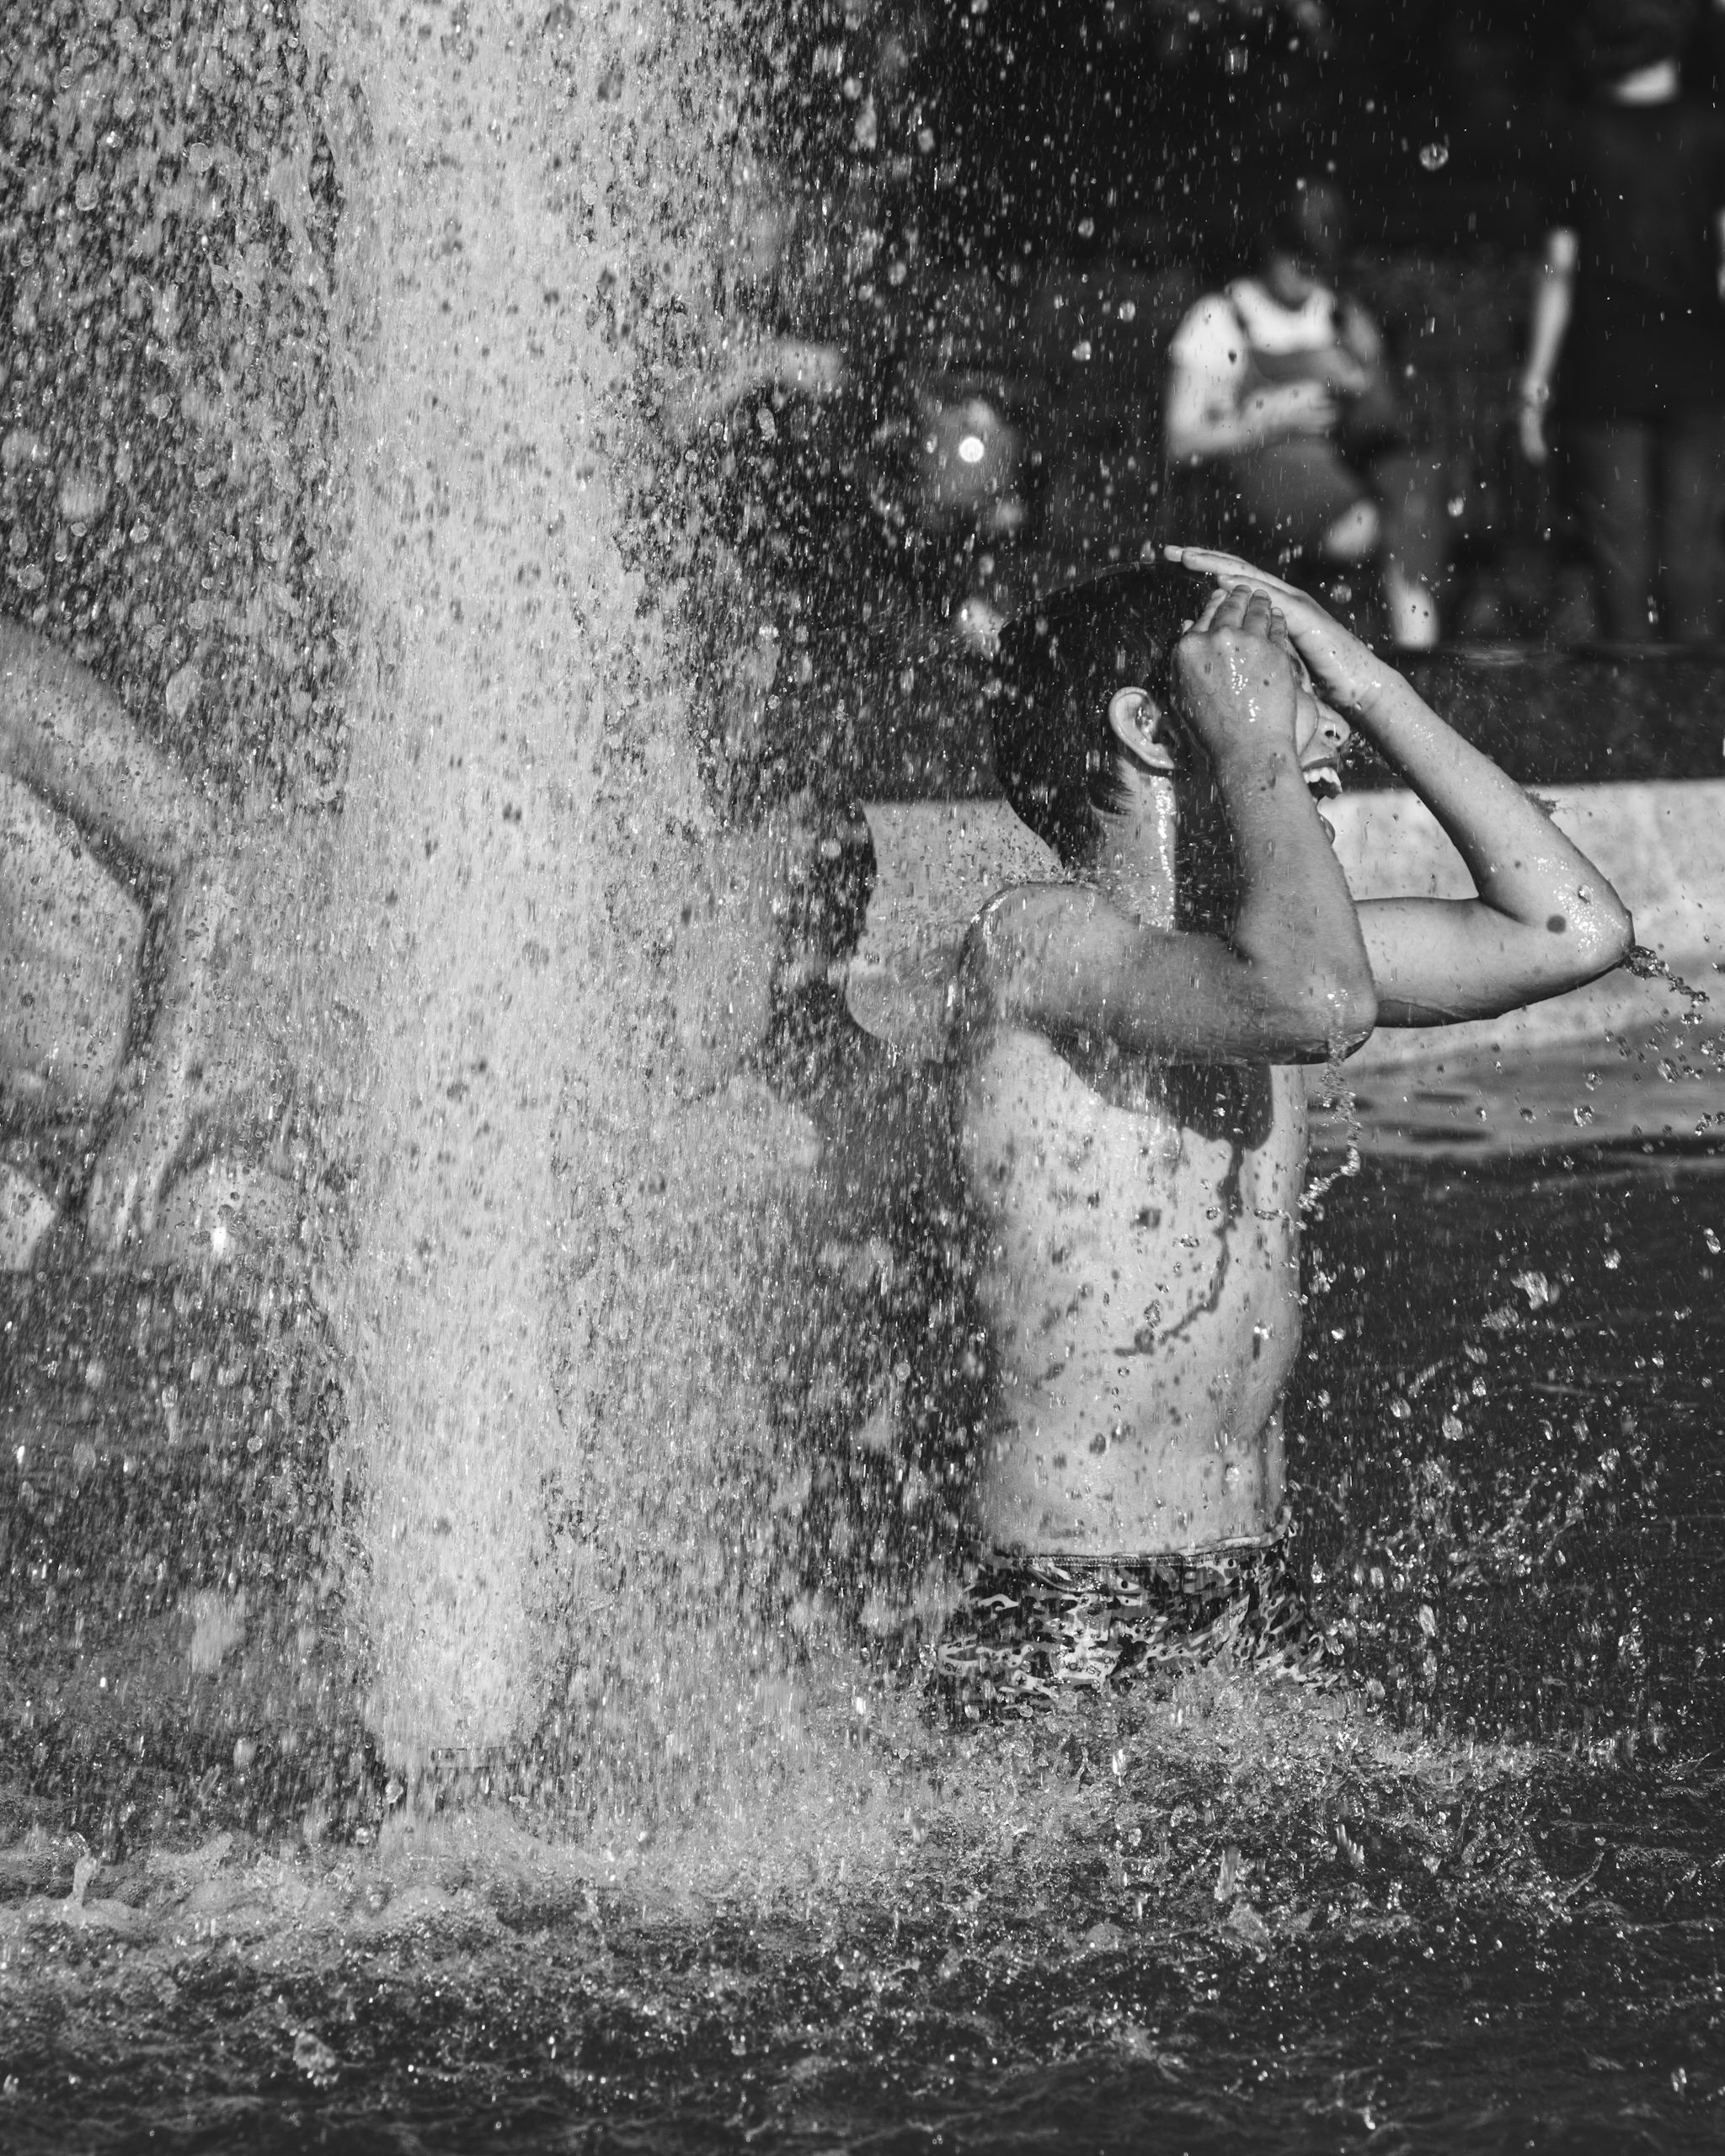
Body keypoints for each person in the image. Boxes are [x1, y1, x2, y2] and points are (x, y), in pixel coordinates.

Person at [946, 546, 1632, 1564]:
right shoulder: (1031, 943)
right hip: (1066, 1588)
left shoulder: (1269, 956)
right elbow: (1314, 1003)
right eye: (1274, 682)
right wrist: (1253, 748)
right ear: (1153, 729)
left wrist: (1368, 682)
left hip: (1239, 1570)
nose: (1325, 729)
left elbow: (1571, 931)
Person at [0, 616, 280, 1267]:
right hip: (88, 1178)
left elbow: (205, 855)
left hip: (222, 1097)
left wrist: (158, 1112)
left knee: (205, 1227)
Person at [1518, 0, 1725, 642]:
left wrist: (1535, 380)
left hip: (1604, 369)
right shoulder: (1711, 132)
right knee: (1695, 560)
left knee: (1620, 563)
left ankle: (1627, 699)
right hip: (1699, 370)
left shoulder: (1579, 136)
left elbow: (1560, 269)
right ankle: (1701, 701)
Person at [1163, 181, 1444, 648]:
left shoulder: (1340, 315)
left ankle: (1418, 657)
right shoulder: (1220, 317)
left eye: (1318, 254)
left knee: (1417, 496)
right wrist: (1266, 419)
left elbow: (1387, 423)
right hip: (1263, 479)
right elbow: (1180, 443)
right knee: (1376, 523)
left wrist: (1360, 387)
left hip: (1342, 470)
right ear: (1269, 244)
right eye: (1296, 251)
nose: (1306, 266)